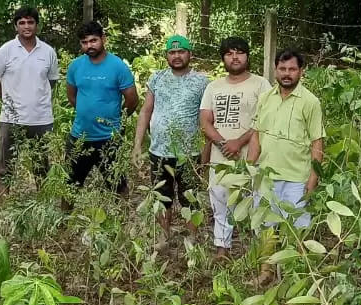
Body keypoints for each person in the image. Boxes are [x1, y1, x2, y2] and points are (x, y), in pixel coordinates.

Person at [199, 36, 269, 257]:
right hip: (220, 158)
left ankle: (261, 254)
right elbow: (205, 122)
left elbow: (265, 119)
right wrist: (223, 143)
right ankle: (222, 250)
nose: (235, 57)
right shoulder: (213, 87)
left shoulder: (261, 84)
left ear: (247, 56)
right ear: (223, 59)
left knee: (257, 204)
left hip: (253, 157)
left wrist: (239, 142)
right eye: (229, 53)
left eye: (239, 52)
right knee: (220, 204)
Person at [133, 34, 209, 237]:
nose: (176, 56)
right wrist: (137, 144)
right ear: (167, 55)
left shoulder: (202, 82)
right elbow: (145, 111)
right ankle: (163, 238)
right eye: (172, 52)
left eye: (181, 52)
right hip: (159, 151)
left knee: (190, 198)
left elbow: (207, 118)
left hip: (189, 153)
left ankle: (192, 240)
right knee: (161, 197)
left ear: (189, 54)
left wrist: (207, 153)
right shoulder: (157, 78)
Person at [249, 49, 324, 230]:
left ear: (301, 71)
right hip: (265, 177)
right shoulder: (265, 99)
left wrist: (313, 179)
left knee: (296, 233)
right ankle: (267, 260)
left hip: (297, 180)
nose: (287, 74)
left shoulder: (310, 102)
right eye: (282, 69)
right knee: (264, 233)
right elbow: (256, 135)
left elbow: (317, 142)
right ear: (275, 70)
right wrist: (249, 170)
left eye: (292, 69)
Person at [64, 21, 138, 193]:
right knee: (69, 186)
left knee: (117, 186)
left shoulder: (118, 66)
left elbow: (132, 100)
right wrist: (86, 112)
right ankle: (65, 220)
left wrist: (117, 120)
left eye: (93, 41)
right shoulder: (75, 66)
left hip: (109, 139)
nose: (89, 45)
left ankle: (120, 219)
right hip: (79, 137)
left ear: (103, 39)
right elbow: (71, 96)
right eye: (84, 42)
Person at [0, 6, 58, 186]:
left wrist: (36, 96)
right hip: (11, 118)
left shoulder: (48, 51)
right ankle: (3, 201)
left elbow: (51, 81)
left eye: (30, 22)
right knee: (5, 165)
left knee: (41, 164)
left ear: (37, 25)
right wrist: (6, 100)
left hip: (41, 118)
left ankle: (42, 201)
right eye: (22, 23)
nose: (26, 26)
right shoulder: (5, 51)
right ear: (16, 26)